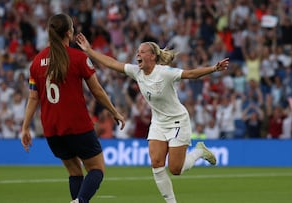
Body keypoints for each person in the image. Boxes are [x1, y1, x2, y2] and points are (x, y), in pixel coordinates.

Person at [76, 33, 229, 203]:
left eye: (142, 52)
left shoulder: (165, 73)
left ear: (152, 56)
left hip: (178, 120)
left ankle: (199, 151)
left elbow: (191, 74)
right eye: (137, 52)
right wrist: (89, 51)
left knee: (175, 169)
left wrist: (214, 68)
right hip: (158, 122)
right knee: (156, 163)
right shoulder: (137, 72)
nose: (138, 55)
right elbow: (112, 63)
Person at [20, 14, 125, 203]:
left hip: (52, 129)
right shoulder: (78, 58)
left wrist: (25, 127)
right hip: (77, 126)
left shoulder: (36, 61)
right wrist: (114, 112)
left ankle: (78, 200)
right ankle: (80, 201)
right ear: (69, 32)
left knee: (74, 172)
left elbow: (33, 97)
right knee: (97, 169)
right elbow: (97, 91)